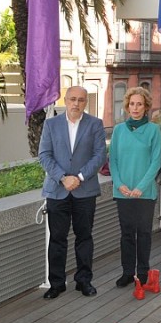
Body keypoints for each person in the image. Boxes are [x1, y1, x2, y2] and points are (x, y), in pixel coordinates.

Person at [38, 86, 106, 299]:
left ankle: (84, 281)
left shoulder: (95, 124)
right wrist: (62, 177)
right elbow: (44, 155)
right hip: (57, 191)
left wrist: (80, 177)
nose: (76, 103)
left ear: (86, 102)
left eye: (81, 100)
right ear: (65, 100)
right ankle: (56, 284)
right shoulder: (51, 125)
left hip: (84, 190)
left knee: (84, 237)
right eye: (72, 99)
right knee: (57, 239)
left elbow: (99, 155)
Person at [109, 87, 161, 288]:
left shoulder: (153, 130)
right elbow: (112, 160)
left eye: (140, 104)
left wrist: (141, 186)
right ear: (127, 106)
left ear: (146, 107)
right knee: (127, 233)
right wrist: (119, 184)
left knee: (144, 233)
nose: (135, 108)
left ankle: (143, 271)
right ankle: (128, 273)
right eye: (132, 104)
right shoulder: (118, 130)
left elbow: (156, 161)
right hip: (122, 192)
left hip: (145, 192)